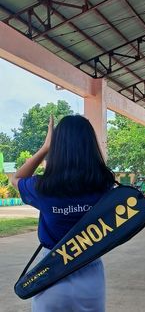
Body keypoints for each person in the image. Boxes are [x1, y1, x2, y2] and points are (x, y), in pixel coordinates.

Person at [11, 115, 115, 312]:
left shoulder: (42, 187)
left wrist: (45, 147)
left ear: (57, 147)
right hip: (90, 272)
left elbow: (16, 178)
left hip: (51, 272)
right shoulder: (104, 183)